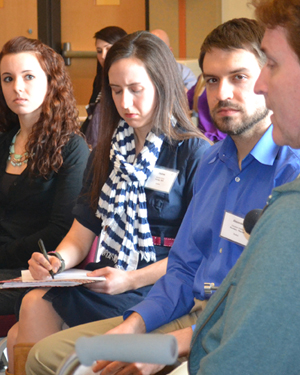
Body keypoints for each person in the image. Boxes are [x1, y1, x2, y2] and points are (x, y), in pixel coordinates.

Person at [25, 17, 300, 375]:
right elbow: (184, 269)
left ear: (264, 80)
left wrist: (166, 345)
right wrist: (133, 326)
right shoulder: (214, 165)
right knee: (46, 356)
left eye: (239, 77)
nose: (223, 94)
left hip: (226, 324)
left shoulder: (284, 171)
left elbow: (263, 309)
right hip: (190, 308)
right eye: (213, 81)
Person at [7, 31, 211, 374]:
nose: (125, 103)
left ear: (162, 85)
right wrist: (56, 259)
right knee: (33, 304)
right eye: (116, 91)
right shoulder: (108, 152)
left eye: (136, 89)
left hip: (156, 287)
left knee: (22, 332)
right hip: (106, 277)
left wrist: (130, 279)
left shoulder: (193, 153)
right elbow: (81, 233)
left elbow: (193, 258)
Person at [0, 36, 90, 316]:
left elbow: (60, 229)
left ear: (51, 82)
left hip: (34, 270)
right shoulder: (4, 142)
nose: (17, 87)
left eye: (28, 77)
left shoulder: (72, 147)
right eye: (7, 78)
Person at [80, 26, 127, 149]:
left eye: (109, 49)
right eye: (99, 51)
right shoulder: (100, 78)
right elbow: (93, 111)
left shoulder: (128, 77)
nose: (103, 56)